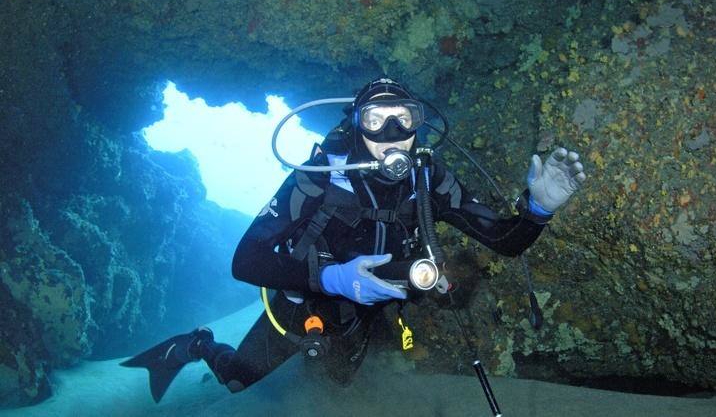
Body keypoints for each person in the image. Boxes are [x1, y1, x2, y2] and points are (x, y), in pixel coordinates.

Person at [121, 77, 586, 403]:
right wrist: (331, 279)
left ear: (418, 125)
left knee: (338, 384)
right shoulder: (318, 177)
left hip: (362, 316)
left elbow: (504, 241)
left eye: (403, 119)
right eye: (376, 120)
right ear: (357, 125)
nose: (391, 134)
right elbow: (245, 261)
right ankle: (198, 344)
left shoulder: (430, 180)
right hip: (300, 307)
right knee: (241, 383)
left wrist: (538, 210)